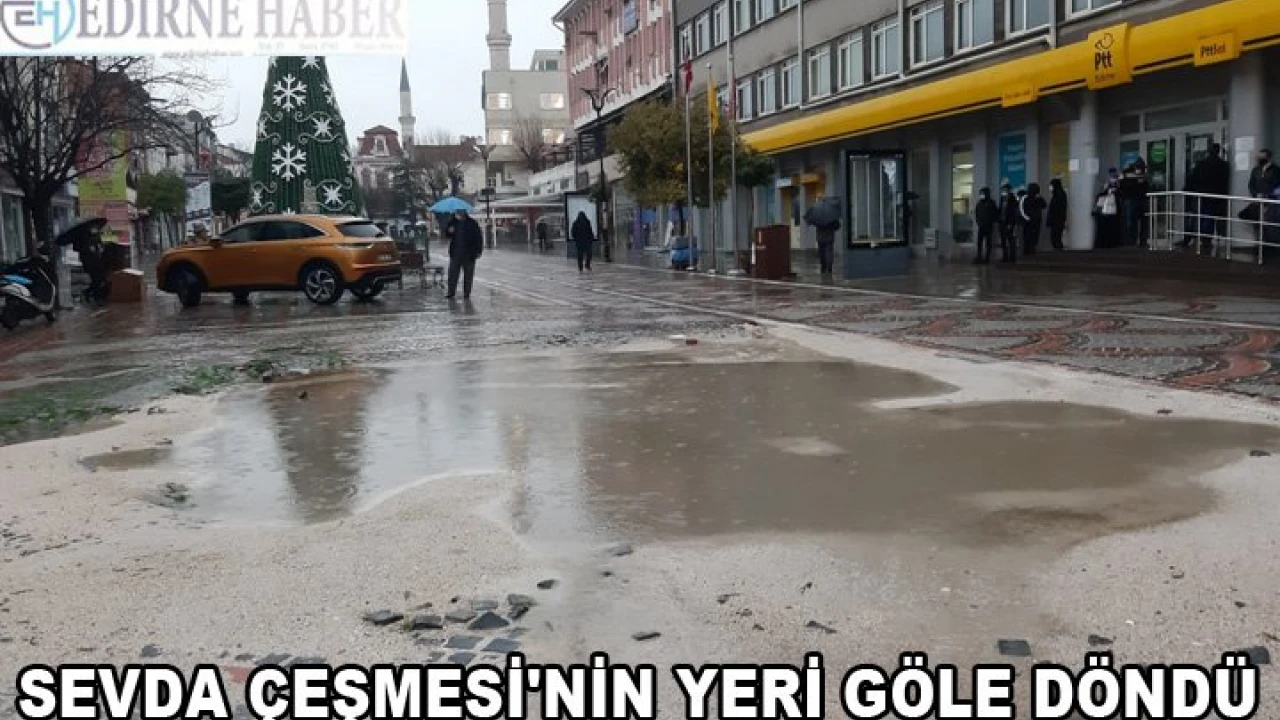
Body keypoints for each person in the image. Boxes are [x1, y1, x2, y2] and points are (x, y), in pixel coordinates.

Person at [1184, 143, 1231, 250]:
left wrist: (1188, 190)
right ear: (1218, 151)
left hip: (1200, 194)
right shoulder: (1223, 165)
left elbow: (1192, 179)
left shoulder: (1201, 164)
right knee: (1210, 217)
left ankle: (1196, 238)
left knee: (1198, 217)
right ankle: (1207, 240)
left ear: (1209, 151)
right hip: (1215, 197)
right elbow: (1224, 183)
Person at [446, 209, 483, 300]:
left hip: (469, 254)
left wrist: (478, 251)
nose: (459, 213)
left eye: (461, 212)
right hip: (455, 253)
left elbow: (478, 237)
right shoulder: (453, 222)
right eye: (458, 212)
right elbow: (447, 235)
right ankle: (451, 292)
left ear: (465, 212)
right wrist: (449, 231)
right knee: (453, 274)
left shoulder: (472, 223)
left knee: (468, 275)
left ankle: (467, 293)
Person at [1119, 160, 1149, 247]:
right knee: (1131, 222)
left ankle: (1142, 241)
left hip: (1141, 199)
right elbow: (1123, 186)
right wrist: (1136, 182)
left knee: (1144, 222)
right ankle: (1131, 241)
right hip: (1131, 200)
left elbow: (1147, 187)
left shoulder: (1143, 175)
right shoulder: (1126, 174)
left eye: (1141, 168)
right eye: (1138, 168)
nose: (1140, 170)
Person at [1019, 183, 1046, 256]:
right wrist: (1027, 218)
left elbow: (1044, 205)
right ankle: (1029, 250)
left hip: (1032, 220)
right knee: (1030, 236)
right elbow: (1022, 209)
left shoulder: (1033, 198)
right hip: (1032, 220)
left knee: (1031, 236)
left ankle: (1029, 250)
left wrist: (1025, 217)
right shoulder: (1027, 198)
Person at [973, 187, 998, 265]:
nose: (982, 195)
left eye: (983, 194)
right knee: (979, 242)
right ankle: (979, 257)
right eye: (981, 194)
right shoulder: (979, 203)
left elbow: (995, 214)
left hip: (988, 226)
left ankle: (987, 258)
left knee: (988, 243)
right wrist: (978, 222)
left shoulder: (991, 203)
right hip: (981, 226)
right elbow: (976, 213)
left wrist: (991, 221)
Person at [998, 184, 1019, 263]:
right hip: (1002, 222)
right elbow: (1000, 210)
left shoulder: (1013, 199)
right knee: (1003, 241)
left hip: (1009, 223)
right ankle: (1005, 256)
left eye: (1005, 190)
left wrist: (1011, 223)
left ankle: (1012, 257)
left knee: (1011, 240)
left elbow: (1013, 212)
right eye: (1003, 190)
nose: (1003, 192)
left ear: (1009, 190)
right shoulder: (1002, 199)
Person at [1046, 179, 1068, 251]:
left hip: (1057, 219)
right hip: (1058, 219)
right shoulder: (1060, 194)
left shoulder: (1058, 195)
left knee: (1055, 237)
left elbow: (1056, 208)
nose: (1050, 187)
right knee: (1056, 236)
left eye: (1051, 185)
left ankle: (1058, 250)